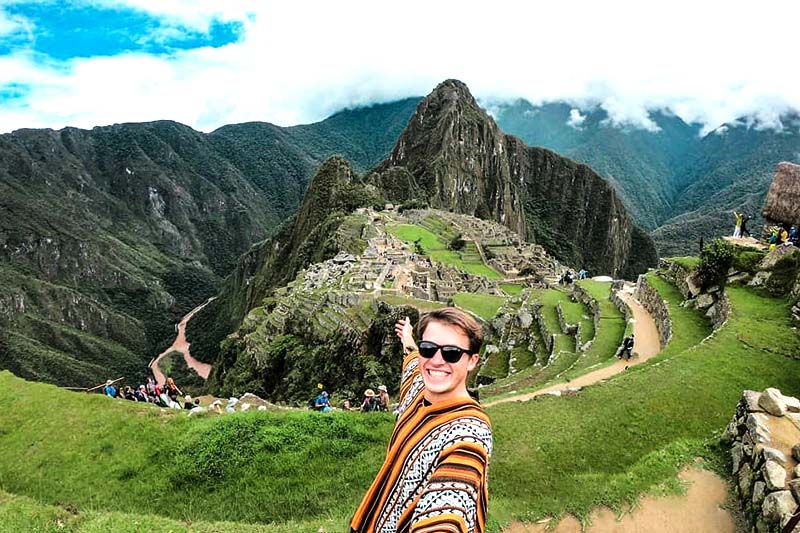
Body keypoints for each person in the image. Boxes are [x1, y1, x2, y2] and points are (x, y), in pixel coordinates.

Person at [350, 309, 492, 533]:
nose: (436, 361)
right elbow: (412, 360)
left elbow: (448, 512)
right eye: (429, 348)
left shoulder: (469, 433)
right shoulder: (417, 389)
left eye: (452, 353)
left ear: (472, 360)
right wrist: (407, 336)